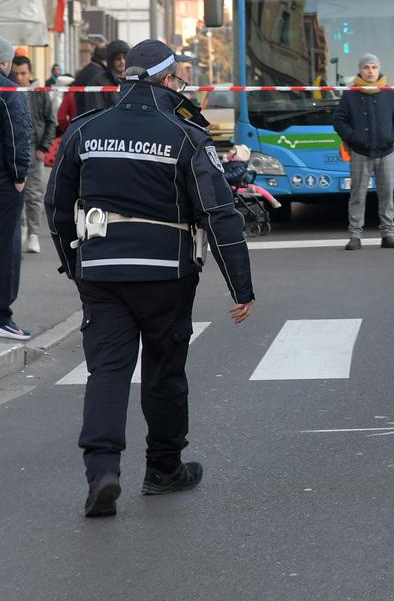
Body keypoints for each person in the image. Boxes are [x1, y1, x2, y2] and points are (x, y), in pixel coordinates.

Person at [45, 39, 256, 519]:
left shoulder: (86, 129)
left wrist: (74, 264)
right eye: (179, 77)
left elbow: (58, 205)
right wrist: (240, 286)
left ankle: (102, 472)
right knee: (164, 370)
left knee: (107, 371)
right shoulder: (184, 134)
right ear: (166, 79)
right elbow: (219, 213)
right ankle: (163, 469)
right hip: (166, 273)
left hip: (100, 270)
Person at [333, 53, 394, 250]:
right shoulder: (350, 95)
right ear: (360, 70)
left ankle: (388, 234)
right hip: (360, 152)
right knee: (357, 195)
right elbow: (339, 121)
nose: (370, 71)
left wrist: (393, 136)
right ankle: (355, 236)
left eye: (374, 67)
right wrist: (354, 137)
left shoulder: (389, 93)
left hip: (386, 152)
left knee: (386, 194)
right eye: (366, 67)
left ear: (379, 69)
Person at [0, 37, 31, 341]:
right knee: (7, 248)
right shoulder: (8, 90)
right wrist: (19, 173)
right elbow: (17, 132)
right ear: (6, 62)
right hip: (4, 182)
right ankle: (2, 316)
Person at [11, 54, 55, 255]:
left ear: (29, 73)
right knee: (16, 192)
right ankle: (21, 229)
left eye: (23, 73)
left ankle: (33, 234)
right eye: (16, 73)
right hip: (14, 151)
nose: (20, 78)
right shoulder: (9, 90)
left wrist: (43, 148)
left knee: (34, 194)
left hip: (34, 150)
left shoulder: (39, 92)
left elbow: (51, 121)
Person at [67, 38, 129, 119]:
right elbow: (95, 116)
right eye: (118, 58)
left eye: (125, 57)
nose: (122, 61)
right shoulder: (98, 83)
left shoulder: (134, 81)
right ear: (110, 60)